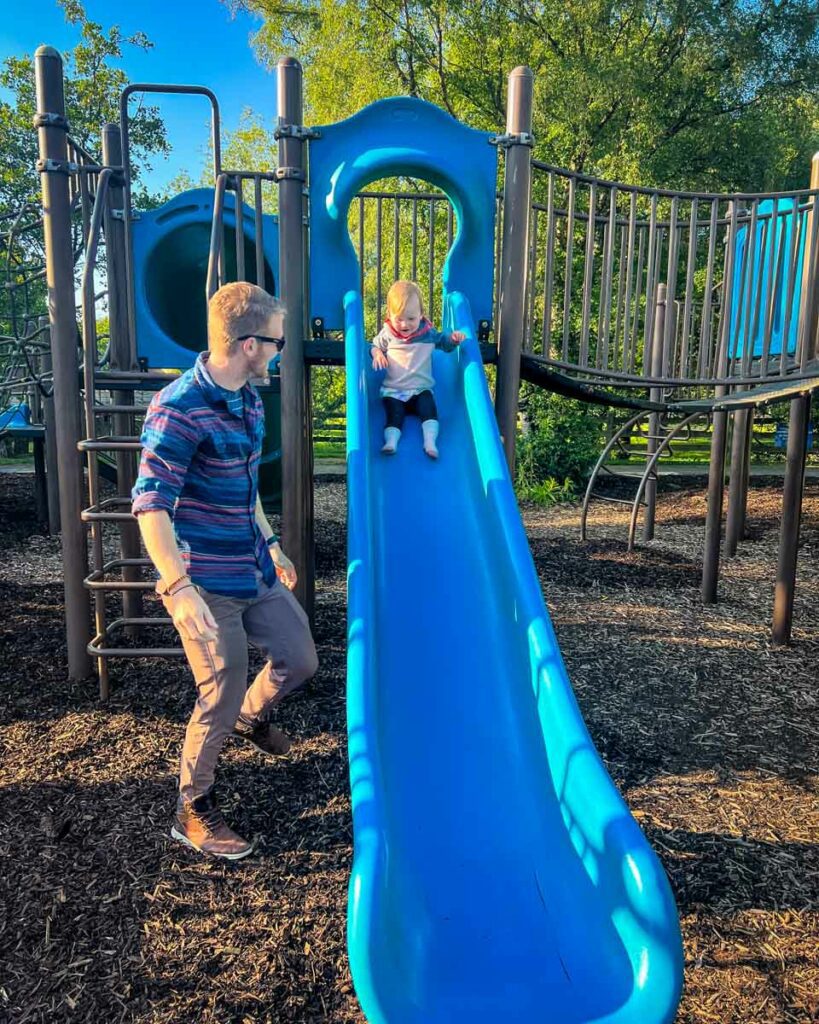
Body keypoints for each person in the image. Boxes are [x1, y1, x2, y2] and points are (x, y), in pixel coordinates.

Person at [132, 281, 318, 861]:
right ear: (246, 344)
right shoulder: (179, 407)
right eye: (278, 342)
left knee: (300, 656)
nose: (282, 350)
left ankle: (251, 716)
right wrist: (179, 589)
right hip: (204, 580)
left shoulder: (249, 400)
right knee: (219, 689)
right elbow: (150, 504)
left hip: (252, 564)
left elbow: (246, 486)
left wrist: (273, 543)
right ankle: (193, 809)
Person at [371, 280, 465, 458]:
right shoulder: (388, 334)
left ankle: (430, 442)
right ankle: (391, 442)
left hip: (421, 389)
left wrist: (453, 339)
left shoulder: (427, 334)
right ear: (389, 315)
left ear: (421, 314)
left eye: (411, 318)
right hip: (394, 391)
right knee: (394, 415)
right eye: (399, 319)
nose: (405, 324)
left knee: (429, 411)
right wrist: (377, 354)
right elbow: (374, 345)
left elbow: (444, 343)